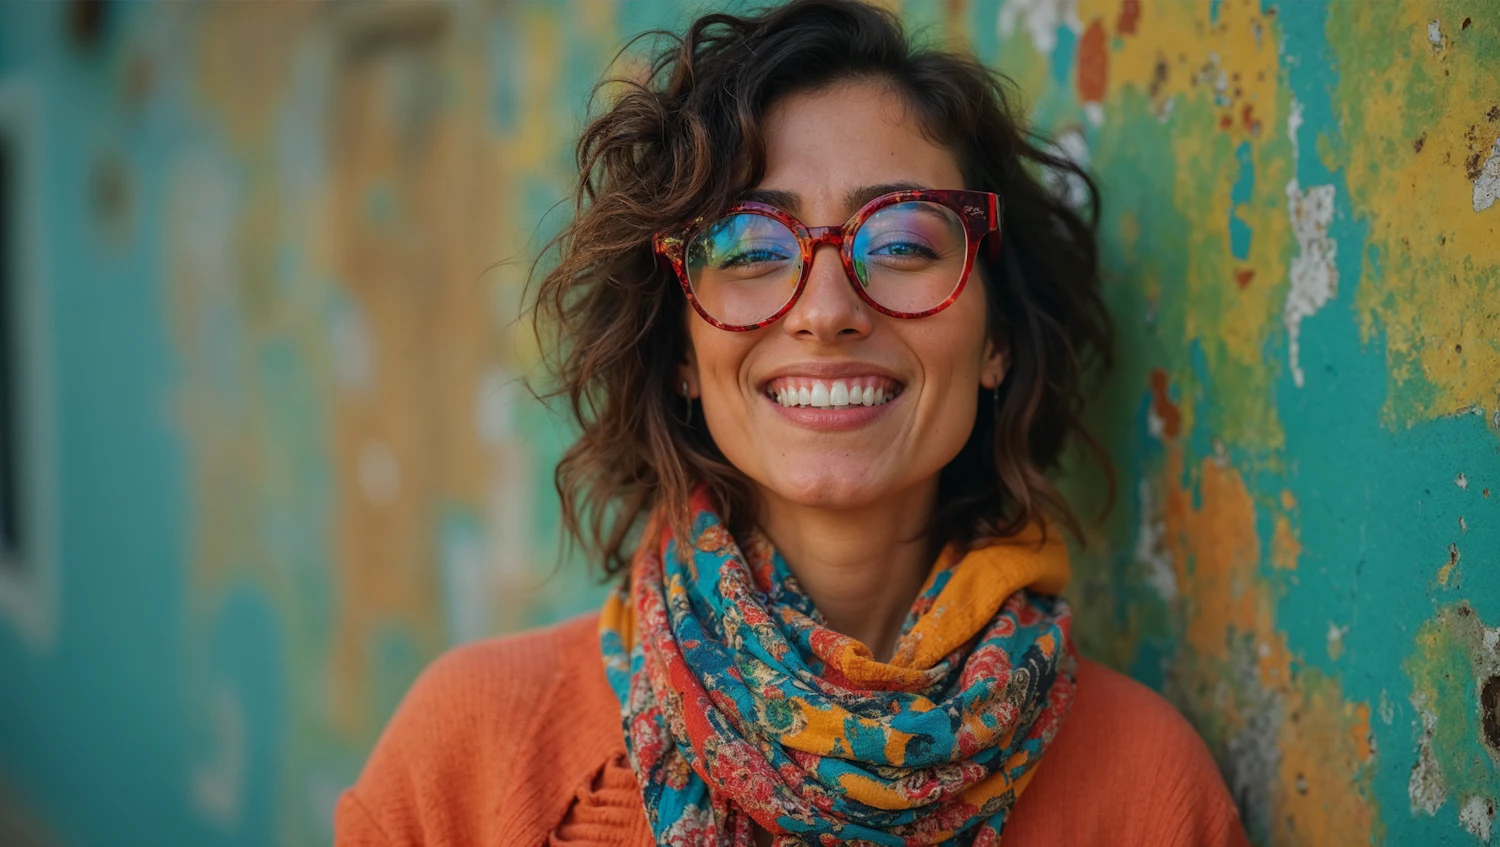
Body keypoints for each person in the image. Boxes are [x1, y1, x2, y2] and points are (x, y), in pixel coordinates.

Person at [334, 1, 1248, 844]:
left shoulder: (1146, 790)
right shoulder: (469, 757)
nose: (825, 310)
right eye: (747, 247)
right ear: (682, 347)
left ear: (996, 339)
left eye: (902, 241)